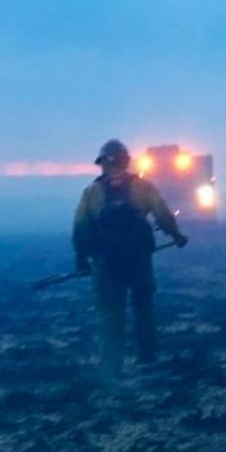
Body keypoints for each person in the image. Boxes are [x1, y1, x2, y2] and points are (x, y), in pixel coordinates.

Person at [72, 139, 188, 372]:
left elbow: (80, 228)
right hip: (139, 262)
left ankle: (112, 366)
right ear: (126, 162)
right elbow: (162, 215)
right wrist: (177, 236)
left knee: (110, 314)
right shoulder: (143, 187)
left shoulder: (92, 192)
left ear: (102, 164)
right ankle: (146, 357)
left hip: (106, 264)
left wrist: (82, 261)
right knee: (143, 308)